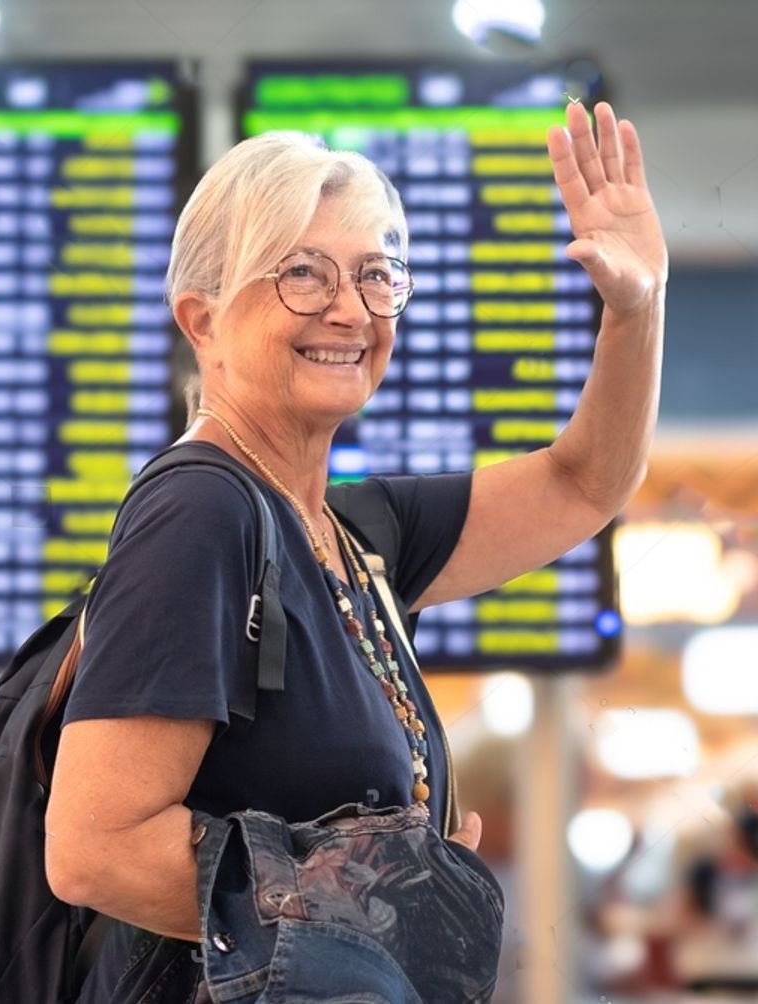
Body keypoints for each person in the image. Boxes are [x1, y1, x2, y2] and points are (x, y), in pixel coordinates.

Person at [45, 100, 667, 1000]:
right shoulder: (201, 512)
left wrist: (635, 308)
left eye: (377, 275)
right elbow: (94, 849)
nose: (349, 309)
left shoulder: (350, 533)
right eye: (301, 273)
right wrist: (378, 911)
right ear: (201, 318)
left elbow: (584, 484)